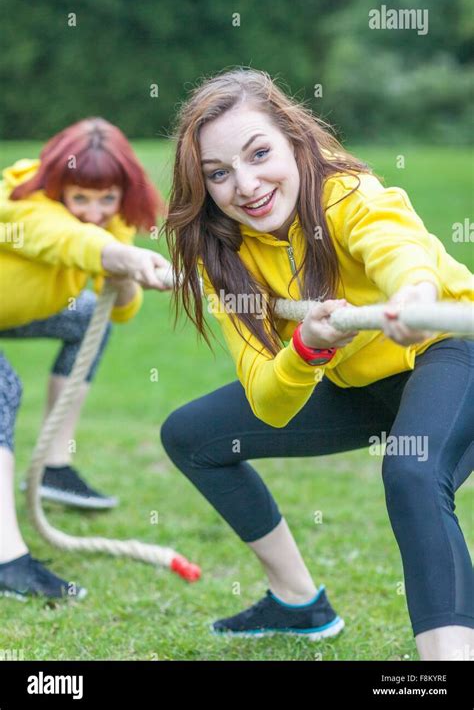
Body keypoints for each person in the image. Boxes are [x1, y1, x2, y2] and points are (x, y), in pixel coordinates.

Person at [160, 68, 474, 660]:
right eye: (219, 174)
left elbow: (394, 242)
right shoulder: (225, 254)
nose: (247, 185)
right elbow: (268, 400)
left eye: (259, 154)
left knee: (412, 474)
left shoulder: (345, 192)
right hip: (365, 382)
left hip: (451, 354)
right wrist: (305, 349)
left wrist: (412, 294)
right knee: (192, 435)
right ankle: (299, 602)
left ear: (295, 141)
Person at [0, 117, 171, 599]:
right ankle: (6, 559)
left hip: (12, 310)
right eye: (80, 199)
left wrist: (129, 271)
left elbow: (119, 309)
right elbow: (64, 240)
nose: (93, 213)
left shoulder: (112, 225)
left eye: (106, 200)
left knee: (84, 318)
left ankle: (56, 465)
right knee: (5, 390)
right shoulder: (22, 202)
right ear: (58, 188)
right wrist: (115, 254)